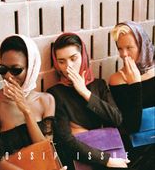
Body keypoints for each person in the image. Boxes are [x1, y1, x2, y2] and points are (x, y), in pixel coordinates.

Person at [47, 32, 130, 170]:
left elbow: (116, 119)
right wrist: (106, 160)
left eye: (74, 58)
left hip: (112, 155)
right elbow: (67, 141)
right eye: (61, 61)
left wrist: (85, 92)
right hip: (83, 162)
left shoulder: (99, 85)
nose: (68, 66)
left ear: (83, 56)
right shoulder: (55, 94)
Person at [0, 35, 62, 170]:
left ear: (31, 68)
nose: (8, 76)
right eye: (2, 69)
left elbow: (45, 150)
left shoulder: (46, 100)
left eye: (16, 70)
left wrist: (27, 111)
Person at [109, 21, 155, 170]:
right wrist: (135, 85)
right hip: (139, 148)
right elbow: (132, 126)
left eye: (129, 48)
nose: (124, 54)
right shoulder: (117, 79)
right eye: (120, 48)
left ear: (142, 45)